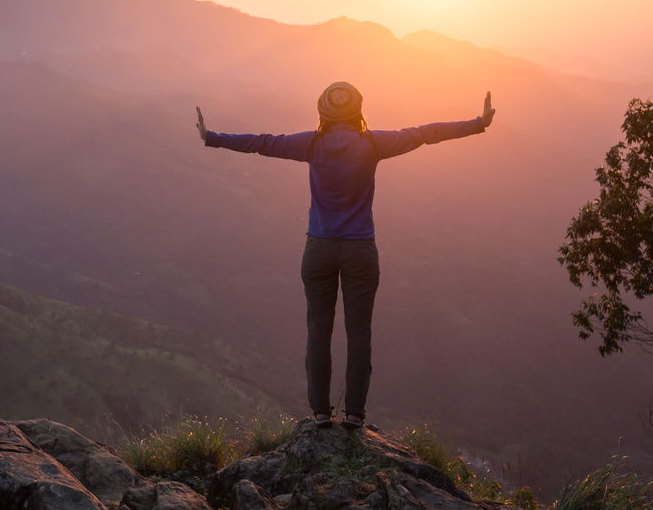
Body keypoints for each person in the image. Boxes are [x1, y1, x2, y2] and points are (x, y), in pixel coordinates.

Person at [195, 82, 495, 430]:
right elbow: (425, 133)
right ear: (357, 111)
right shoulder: (372, 143)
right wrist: (478, 123)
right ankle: (354, 414)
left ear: (322, 112)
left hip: (319, 249)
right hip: (360, 251)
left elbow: (261, 142)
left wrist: (212, 137)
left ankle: (320, 413)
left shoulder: (310, 143)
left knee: (318, 331)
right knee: (359, 333)